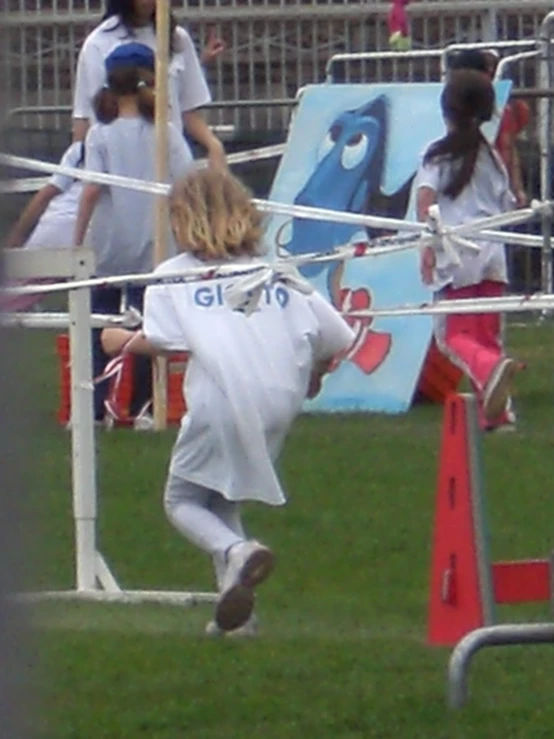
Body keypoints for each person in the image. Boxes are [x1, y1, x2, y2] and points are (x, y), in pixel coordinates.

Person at [100, 168, 355, 635]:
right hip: (280, 401)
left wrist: (119, 340)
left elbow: (162, 339)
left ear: (183, 220)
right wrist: (314, 377)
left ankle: (237, 553)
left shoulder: (172, 275)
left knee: (181, 500)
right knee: (223, 497)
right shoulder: (273, 270)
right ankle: (239, 620)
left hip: (222, 398)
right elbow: (338, 334)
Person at [74, 41, 195, 424]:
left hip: (110, 244)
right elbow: (187, 181)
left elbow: (91, 189)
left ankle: (96, 408)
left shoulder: (99, 136)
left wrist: (76, 239)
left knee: (99, 326)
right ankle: (144, 406)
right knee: (149, 329)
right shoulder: (166, 133)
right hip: (155, 244)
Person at [415, 69, 521, 432]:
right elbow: (507, 203)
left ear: (447, 109)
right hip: (493, 252)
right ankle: (499, 415)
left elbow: (425, 199)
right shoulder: (492, 158)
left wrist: (427, 245)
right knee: (486, 335)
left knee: (454, 337)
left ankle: (490, 371)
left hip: (457, 253)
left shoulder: (437, 154)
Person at [72, 0, 226, 170]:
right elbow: (84, 117)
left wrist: (213, 145)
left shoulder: (177, 39)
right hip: (115, 165)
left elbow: (189, 109)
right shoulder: (97, 43)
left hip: (168, 161)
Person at [3, 141, 84, 312]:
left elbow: (45, 195)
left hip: (60, 231)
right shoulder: (82, 149)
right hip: (72, 232)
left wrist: (16, 237)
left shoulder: (84, 147)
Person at [447, 48, 530, 208]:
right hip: (490, 185)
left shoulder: (452, 108)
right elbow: (508, 149)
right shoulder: (500, 109)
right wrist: (516, 188)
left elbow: (508, 147)